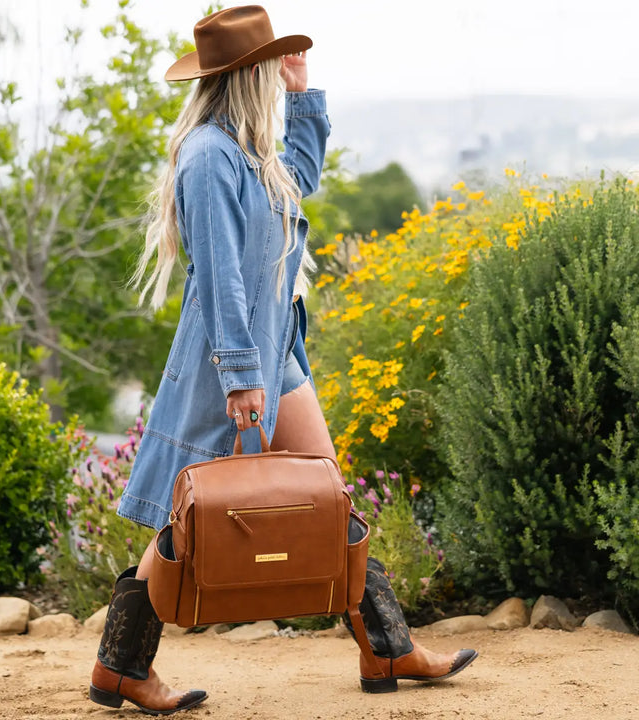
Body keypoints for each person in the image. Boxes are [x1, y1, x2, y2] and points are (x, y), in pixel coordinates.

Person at [88, 5, 477, 716]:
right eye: (270, 68)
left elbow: (298, 180)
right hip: (226, 366)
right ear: (243, 77)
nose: (275, 75)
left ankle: (386, 644)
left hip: (280, 355)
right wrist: (240, 374)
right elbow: (220, 274)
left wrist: (303, 97)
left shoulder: (248, 152)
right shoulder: (207, 157)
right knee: (186, 526)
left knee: (330, 501)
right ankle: (120, 666)